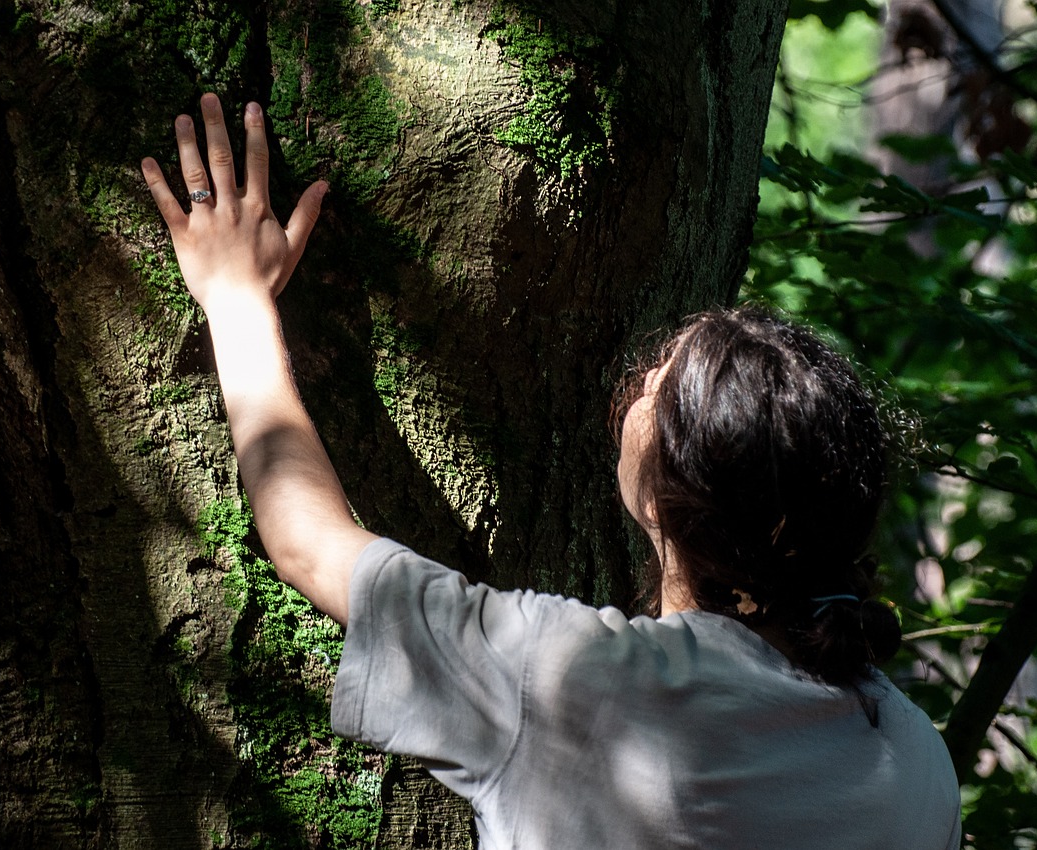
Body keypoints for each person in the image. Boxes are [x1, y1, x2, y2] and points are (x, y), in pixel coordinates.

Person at [141, 94, 963, 849]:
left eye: (664, 386)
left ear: (688, 500)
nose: (642, 379)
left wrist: (237, 298)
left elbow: (308, 543)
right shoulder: (921, 764)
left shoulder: (580, 686)